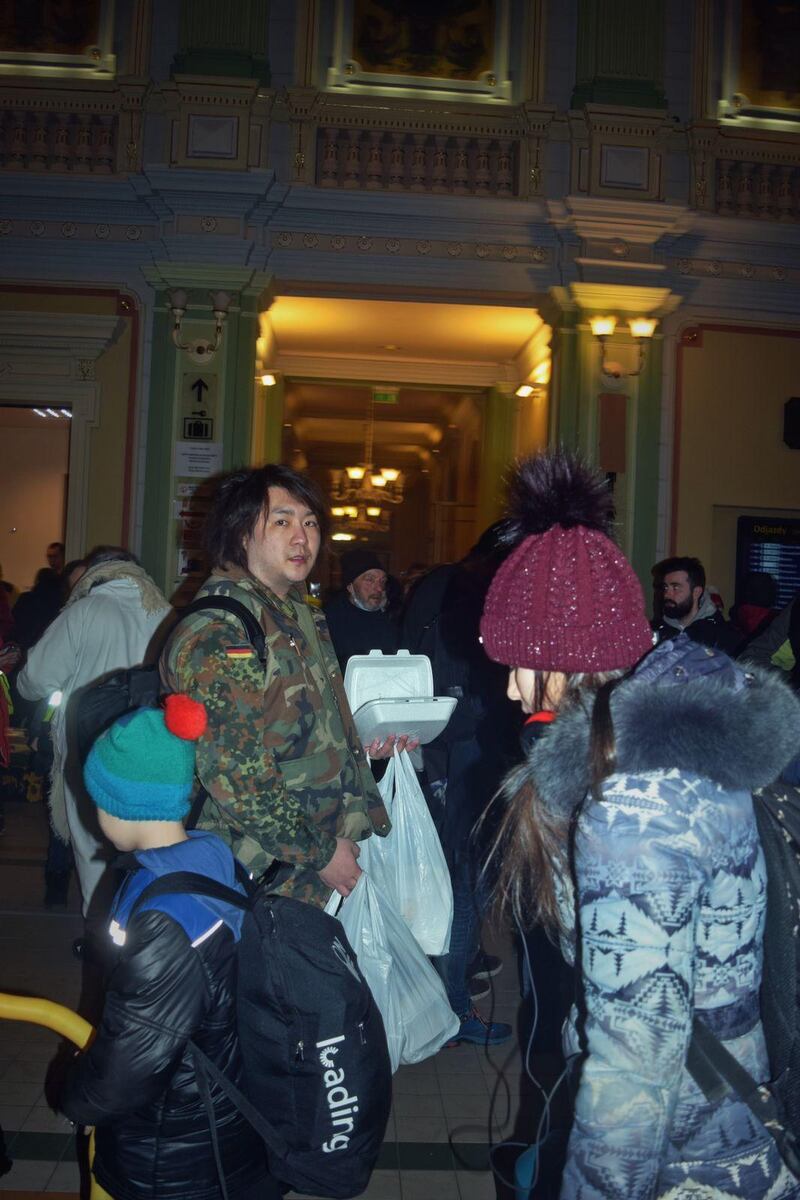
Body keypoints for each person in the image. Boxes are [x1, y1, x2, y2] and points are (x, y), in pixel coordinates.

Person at [480, 450, 800, 1199]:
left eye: (518, 661)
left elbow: (636, 1066)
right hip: (713, 1117)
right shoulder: (654, 762)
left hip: (684, 1156)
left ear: (562, 660)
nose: (506, 681)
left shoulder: (639, 806)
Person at [162, 464, 415, 909]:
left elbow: (301, 724)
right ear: (241, 533)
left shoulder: (297, 615)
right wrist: (318, 853)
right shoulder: (222, 631)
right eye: (282, 521)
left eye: (311, 522)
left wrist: (363, 746)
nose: (303, 538)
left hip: (309, 862)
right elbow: (235, 774)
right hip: (257, 871)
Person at [59, 694, 276, 1200]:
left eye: (96, 800)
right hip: (216, 1113)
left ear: (123, 806)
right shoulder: (208, 859)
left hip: (176, 1153)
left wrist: (74, 1096)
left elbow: (133, 1061)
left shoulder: (166, 920)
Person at [17, 547, 173, 915]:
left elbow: (34, 680)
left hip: (91, 751)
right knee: (151, 856)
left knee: (94, 859)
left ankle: (105, 947)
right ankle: (146, 942)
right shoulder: (167, 614)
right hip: (156, 754)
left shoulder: (85, 611)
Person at [324, 549, 399, 671]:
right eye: (370, 580)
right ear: (350, 586)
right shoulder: (329, 620)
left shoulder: (391, 617)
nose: (379, 588)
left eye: (382, 581)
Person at [653, 555, 740, 653]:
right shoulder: (655, 632)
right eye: (665, 588)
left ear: (696, 592)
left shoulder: (722, 637)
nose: (667, 594)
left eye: (675, 588)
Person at [12, 567, 63, 652]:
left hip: (24, 644)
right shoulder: (60, 601)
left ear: (38, 581)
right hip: (48, 646)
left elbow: (14, 620)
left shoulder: (26, 598)